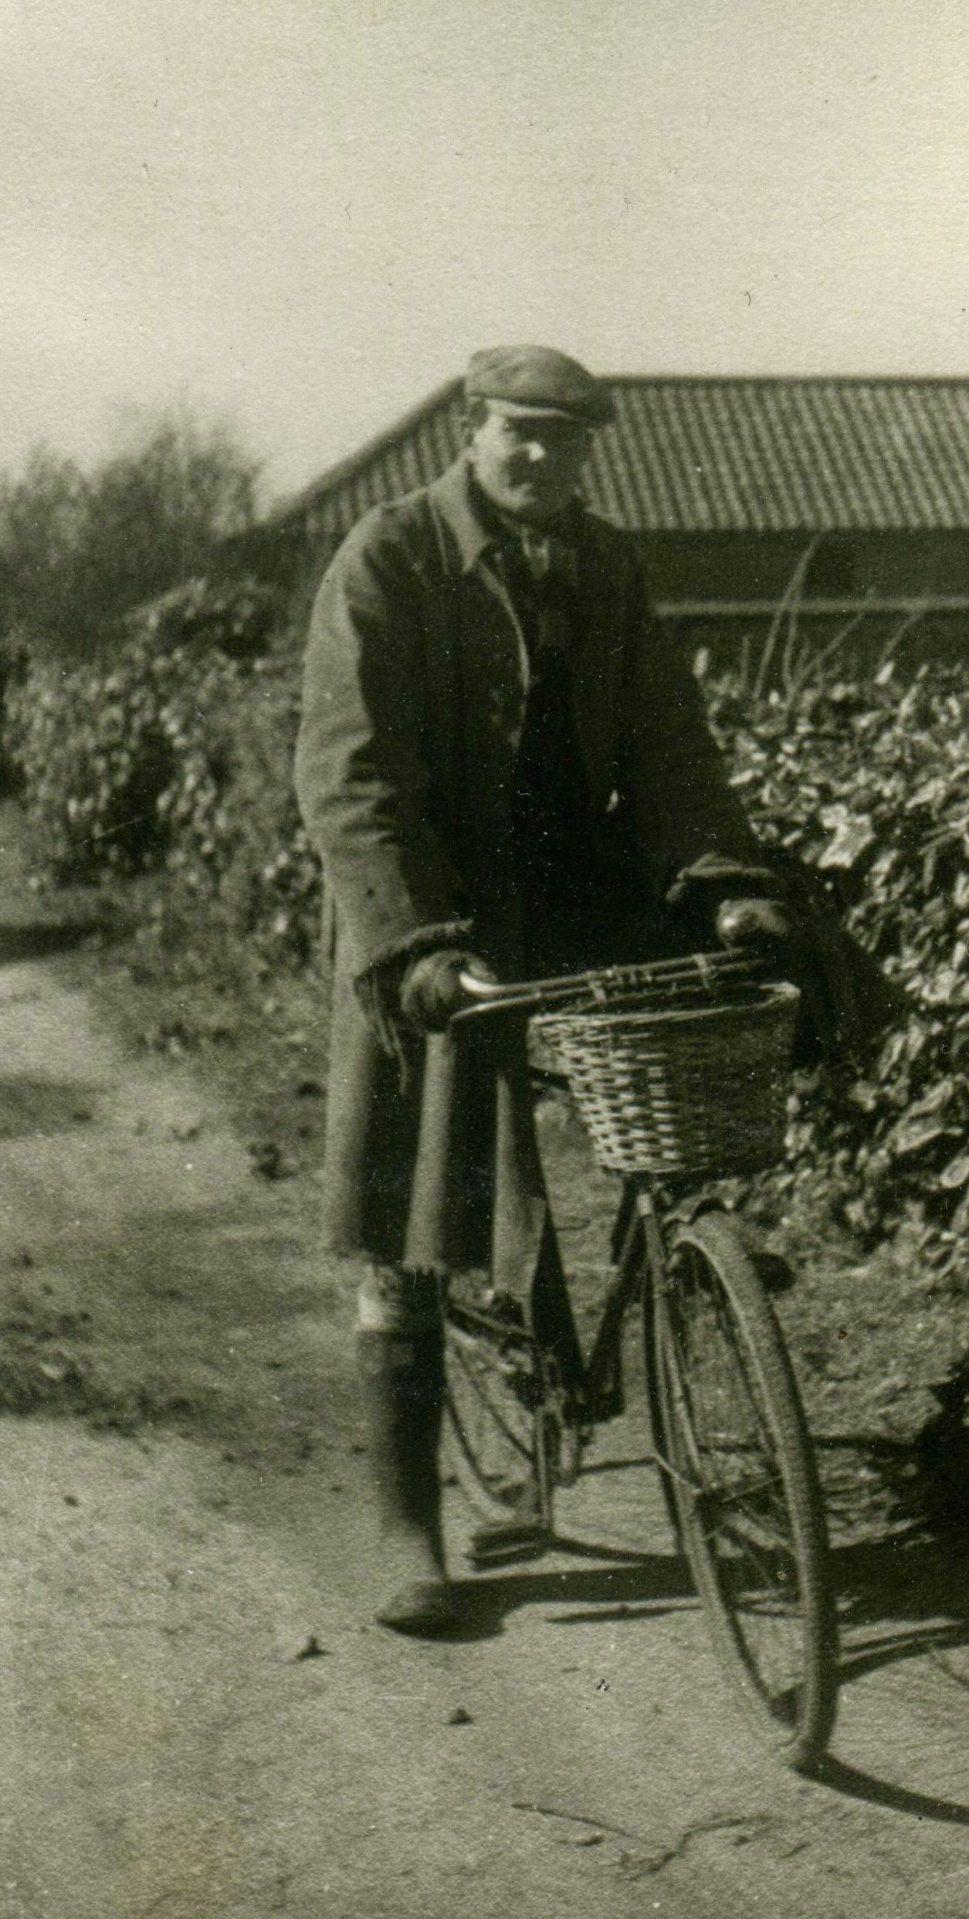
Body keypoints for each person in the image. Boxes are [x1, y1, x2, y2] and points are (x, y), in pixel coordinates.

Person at [294, 345, 795, 1634]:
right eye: (520, 433)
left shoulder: (606, 565)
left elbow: (671, 745)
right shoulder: (391, 556)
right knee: (418, 1201)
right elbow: (350, 779)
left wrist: (724, 876)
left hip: (566, 893)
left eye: (565, 443)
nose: (539, 460)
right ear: (472, 430)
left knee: (747, 977)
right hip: (429, 905)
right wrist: (413, 946)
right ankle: (413, 1521)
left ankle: (675, 1270)